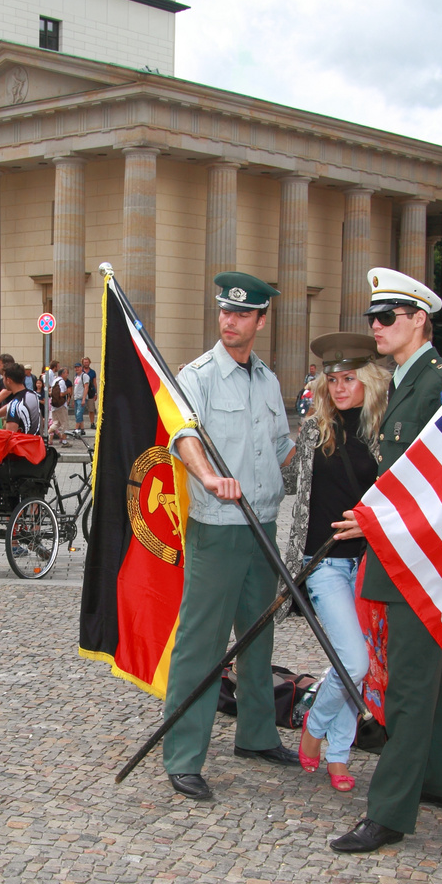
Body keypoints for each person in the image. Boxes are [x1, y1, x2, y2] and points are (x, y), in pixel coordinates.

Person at [329, 267, 442, 855]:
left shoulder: (439, 385)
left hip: (421, 556)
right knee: (437, 678)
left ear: (419, 321)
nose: (376, 327)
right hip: (408, 552)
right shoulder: (409, 379)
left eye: (388, 318)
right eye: (373, 318)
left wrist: (377, 521)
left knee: (410, 686)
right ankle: (440, 780)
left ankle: (388, 811)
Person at [159, 271, 300, 804]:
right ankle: (183, 756)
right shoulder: (196, 376)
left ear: (260, 320)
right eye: (224, 311)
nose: (230, 321)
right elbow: (183, 435)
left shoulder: (267, 380)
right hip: (218, 528)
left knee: (258, 637)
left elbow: (284, 449)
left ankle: (257, 735)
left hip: (263, 522)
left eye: (242, 314)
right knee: (201, 643)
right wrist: (208, 477)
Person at [282, 332, 388, 793]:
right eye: (333, 379)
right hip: (323, 562)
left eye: (350, 378)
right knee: (354, 661)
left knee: (353, 663)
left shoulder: (386, 430)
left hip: (370, 564)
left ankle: (339, 756)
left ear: (369, 379)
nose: (340, 387)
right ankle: (315, 727)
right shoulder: (314, 429)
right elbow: (287, 484)